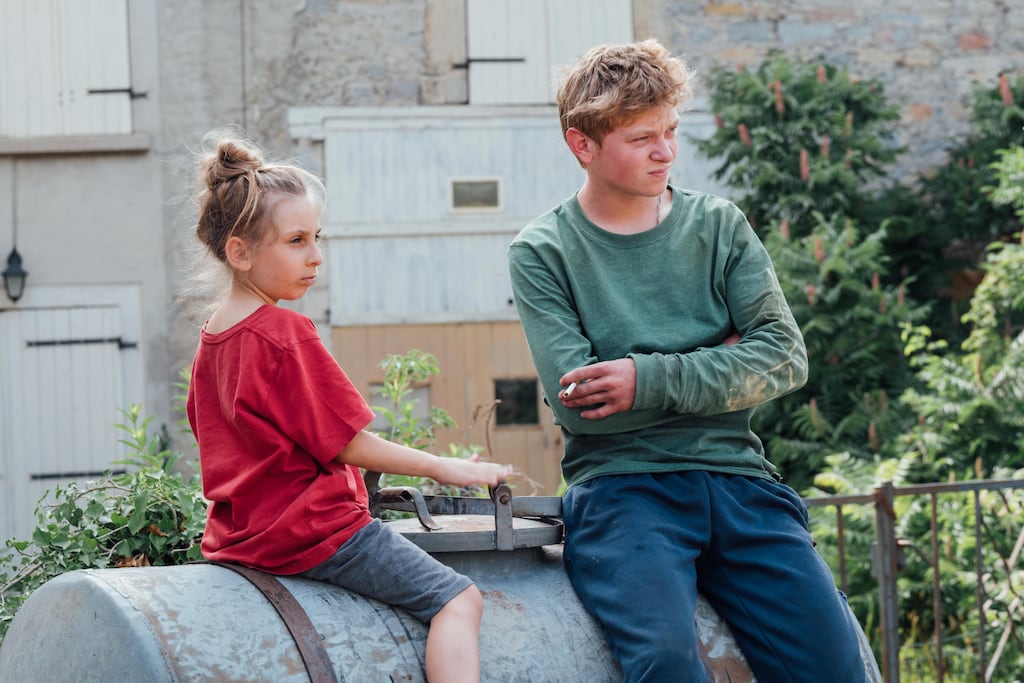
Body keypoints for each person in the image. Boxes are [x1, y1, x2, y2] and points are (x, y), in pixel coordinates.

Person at [507, 40, 868, 682]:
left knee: (836, 667)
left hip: (742, 481)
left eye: (671, 131)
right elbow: (590, 414)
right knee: (667, 665)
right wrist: (723, 360)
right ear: (581, 145)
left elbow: (783, 357)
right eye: (642, 137)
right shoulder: (543, 250)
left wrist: (643, 377)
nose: (666, 152)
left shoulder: (721, 226)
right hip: (624, 489)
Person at [185, 129, 512, 683]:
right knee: (459, 601)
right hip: (315, 533)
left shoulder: (212, 338)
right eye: (296, 242)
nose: (316, 257)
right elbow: (348, 442)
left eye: (318, 237)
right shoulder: (283, 332)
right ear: (239, 252)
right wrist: (442, 466)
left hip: (241, 538)